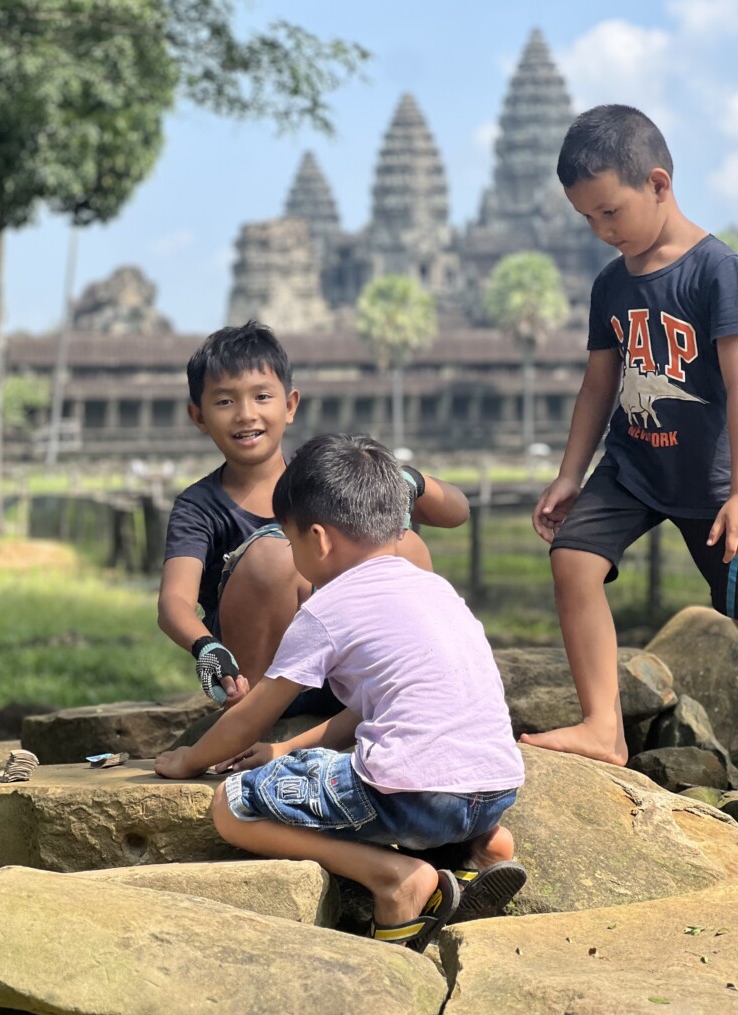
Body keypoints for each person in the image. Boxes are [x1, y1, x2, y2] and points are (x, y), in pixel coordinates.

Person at [155, 433, 526, 953]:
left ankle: (393, 878)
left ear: (319, 539)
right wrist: (286, 750)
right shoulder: (435, 588)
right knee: (416, 777)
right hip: (494, 791)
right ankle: (481, 851)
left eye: (290, 541)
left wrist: (190, 760)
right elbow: (369, 707)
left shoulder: (328, 609)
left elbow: (250, 716)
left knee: (232, 805)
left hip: (413, 798)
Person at [527, 104, 738, 765]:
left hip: (714, 480)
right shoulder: (611, 285)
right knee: (573, 559)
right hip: (634, 466)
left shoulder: (717, 273)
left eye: (610, 212)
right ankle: (602, 727)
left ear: (657, 183)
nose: (601, 231)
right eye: (587, 219)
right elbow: (598, 385)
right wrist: (569, 474)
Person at [158, 321, 470, 710]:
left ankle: (406, 691)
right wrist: (206, 646)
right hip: (258, 678)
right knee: (274, 556)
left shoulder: (325, 477)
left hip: (349, 675)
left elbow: (457, 511)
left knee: (406, 546)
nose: (245, 414)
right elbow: (174, 602)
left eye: (261, 397)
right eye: (224, 402)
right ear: (198, 416)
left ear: (289, 406)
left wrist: (407, 480)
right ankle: (252, 720)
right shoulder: (199, 506)